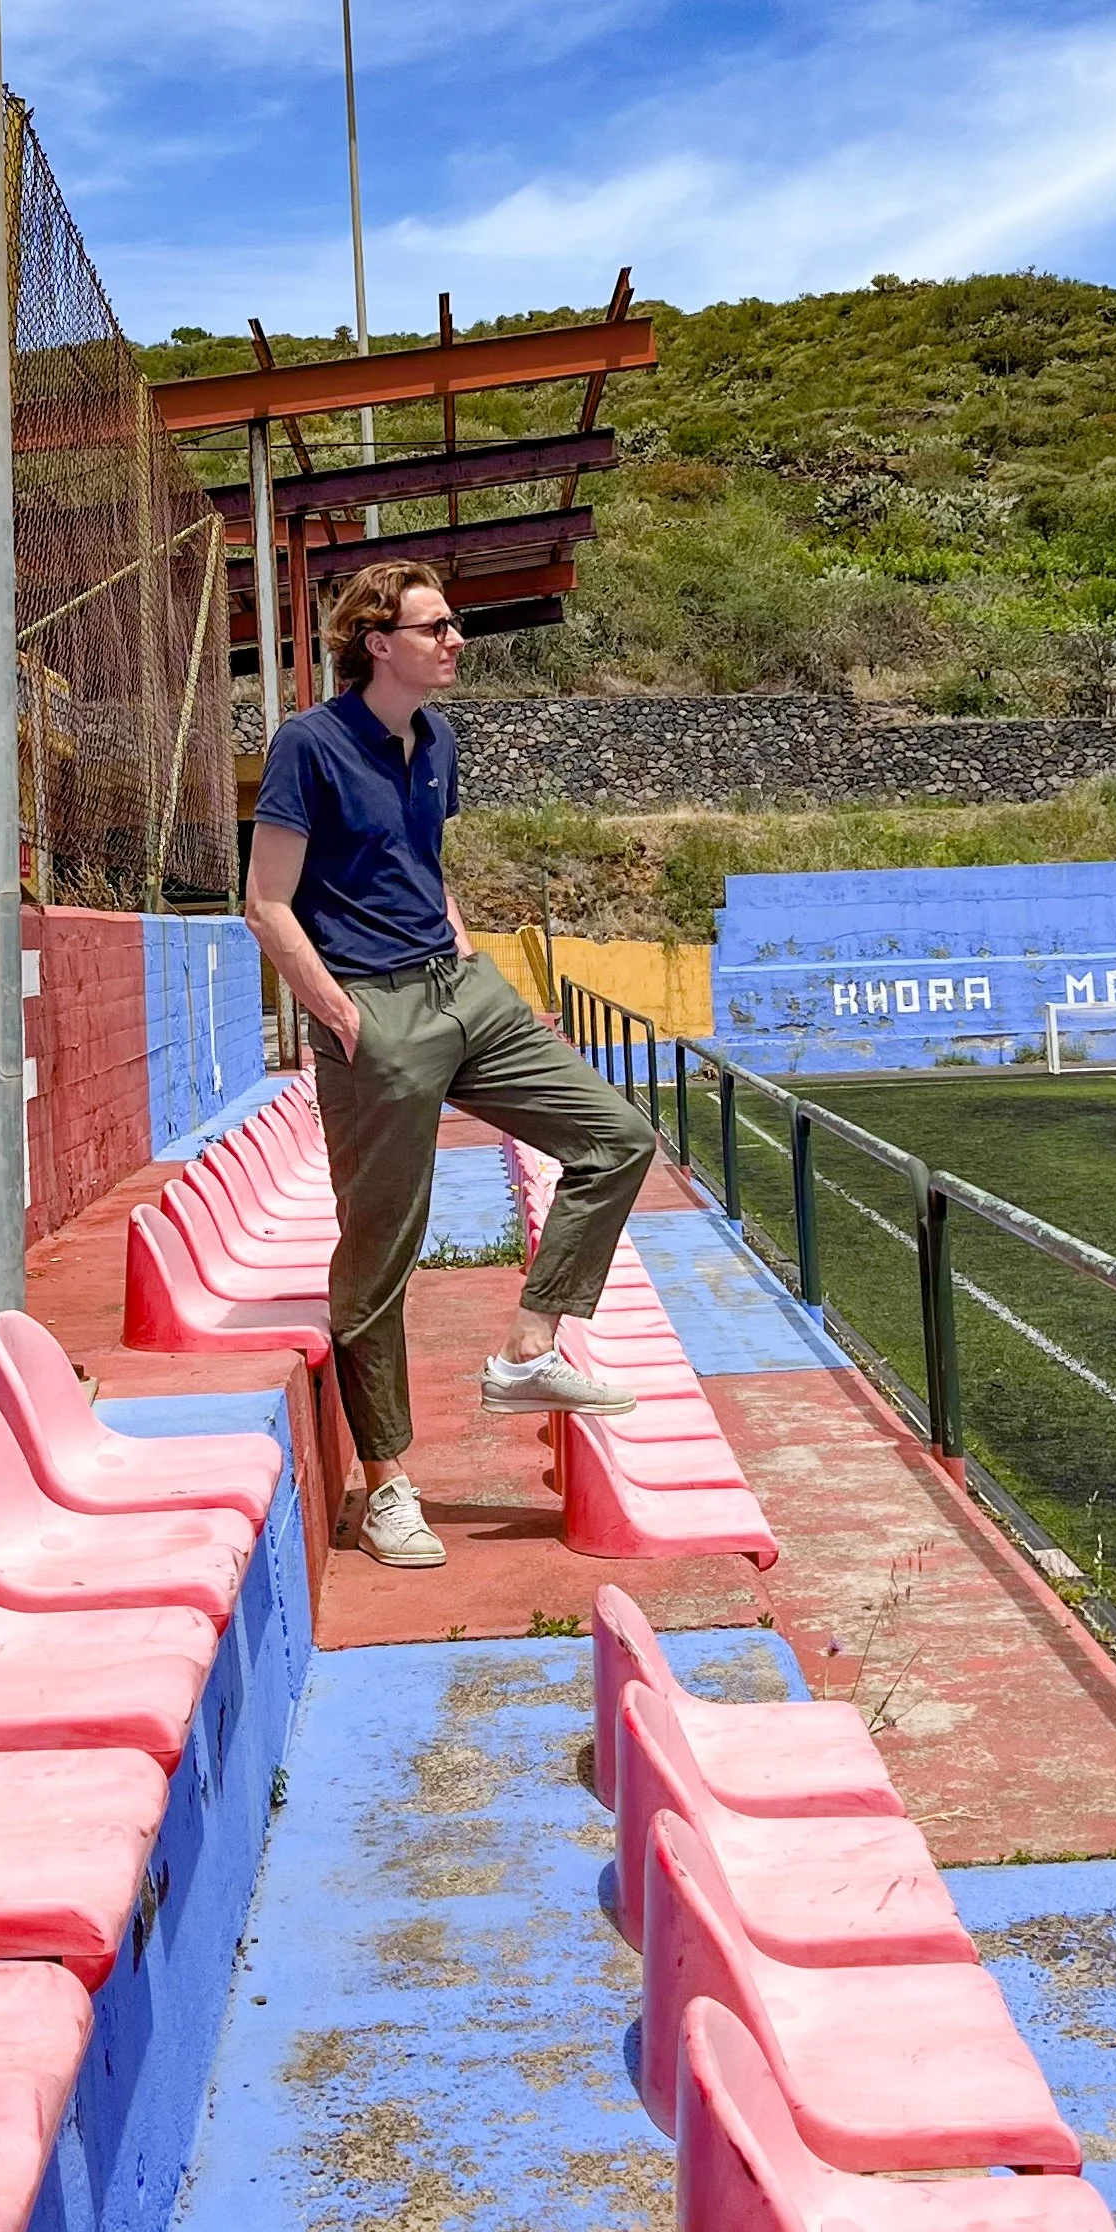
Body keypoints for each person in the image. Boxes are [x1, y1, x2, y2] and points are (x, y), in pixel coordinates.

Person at [244, 559, 655, 1569]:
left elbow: (419, 864)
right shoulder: (310, 746)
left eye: (452, 625)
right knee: (380, 1259)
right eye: (434, 628)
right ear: (377, 643)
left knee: (617, 1137)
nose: (454, 640)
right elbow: (265, 900)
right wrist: (339, 1013)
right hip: (372, 1014)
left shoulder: (436, 739)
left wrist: (462, 944)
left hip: (459, 986)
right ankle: (388, 1486)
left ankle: (526, 1350)